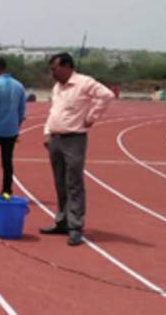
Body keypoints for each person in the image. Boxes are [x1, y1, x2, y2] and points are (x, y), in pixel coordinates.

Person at [40, 52, 115, 245]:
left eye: (54, 69)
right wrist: (47, 131)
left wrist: (91, 117)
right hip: (55, 138)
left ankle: (75, 226)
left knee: (74, 183)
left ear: (66, 67)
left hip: (74, 138)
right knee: (60, 182)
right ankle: (62, 221)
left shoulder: (84, 82)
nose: (52, 73)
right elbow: (53, 111)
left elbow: (106, 95)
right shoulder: (57, 87)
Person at [0, 56, 27, 197]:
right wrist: (17, 128)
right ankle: (7, 190)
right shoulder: (19, 86)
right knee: (7, 161)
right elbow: (21, 111)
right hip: (11, 131)